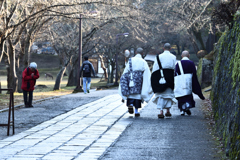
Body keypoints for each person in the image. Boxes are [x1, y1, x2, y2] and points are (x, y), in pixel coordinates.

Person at [119, 48, 153, 117]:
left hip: (130, 78)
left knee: (131, 93)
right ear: (142, 53)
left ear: (135, 52)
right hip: (140, 79)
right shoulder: (143, 61)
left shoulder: (131, 60)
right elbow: (147, 72)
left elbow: (126, 70)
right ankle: (136, 111)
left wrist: (123, 80)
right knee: (138, 95)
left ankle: (130, 104)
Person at [175, 50, 205, 115]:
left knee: (181, 95)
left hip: (180, 82)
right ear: (189, 56)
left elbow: (176, 73)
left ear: (181, 56)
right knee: (188, 93)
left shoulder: (178, 63)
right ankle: (188, 105)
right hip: (189, 81)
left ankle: (182, 109)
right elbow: (194, 73)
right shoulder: (191, 63)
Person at [151, 43, 177, 118]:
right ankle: (168, 110)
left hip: (161, 76)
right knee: (169, 93)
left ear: (163, 48)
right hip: (170, 76)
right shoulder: (173, 57)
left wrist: (154, 78)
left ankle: (161, 111)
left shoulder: (159, 57)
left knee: (161, 95)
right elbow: (173, 67)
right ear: (170, 48)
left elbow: (155, 68)